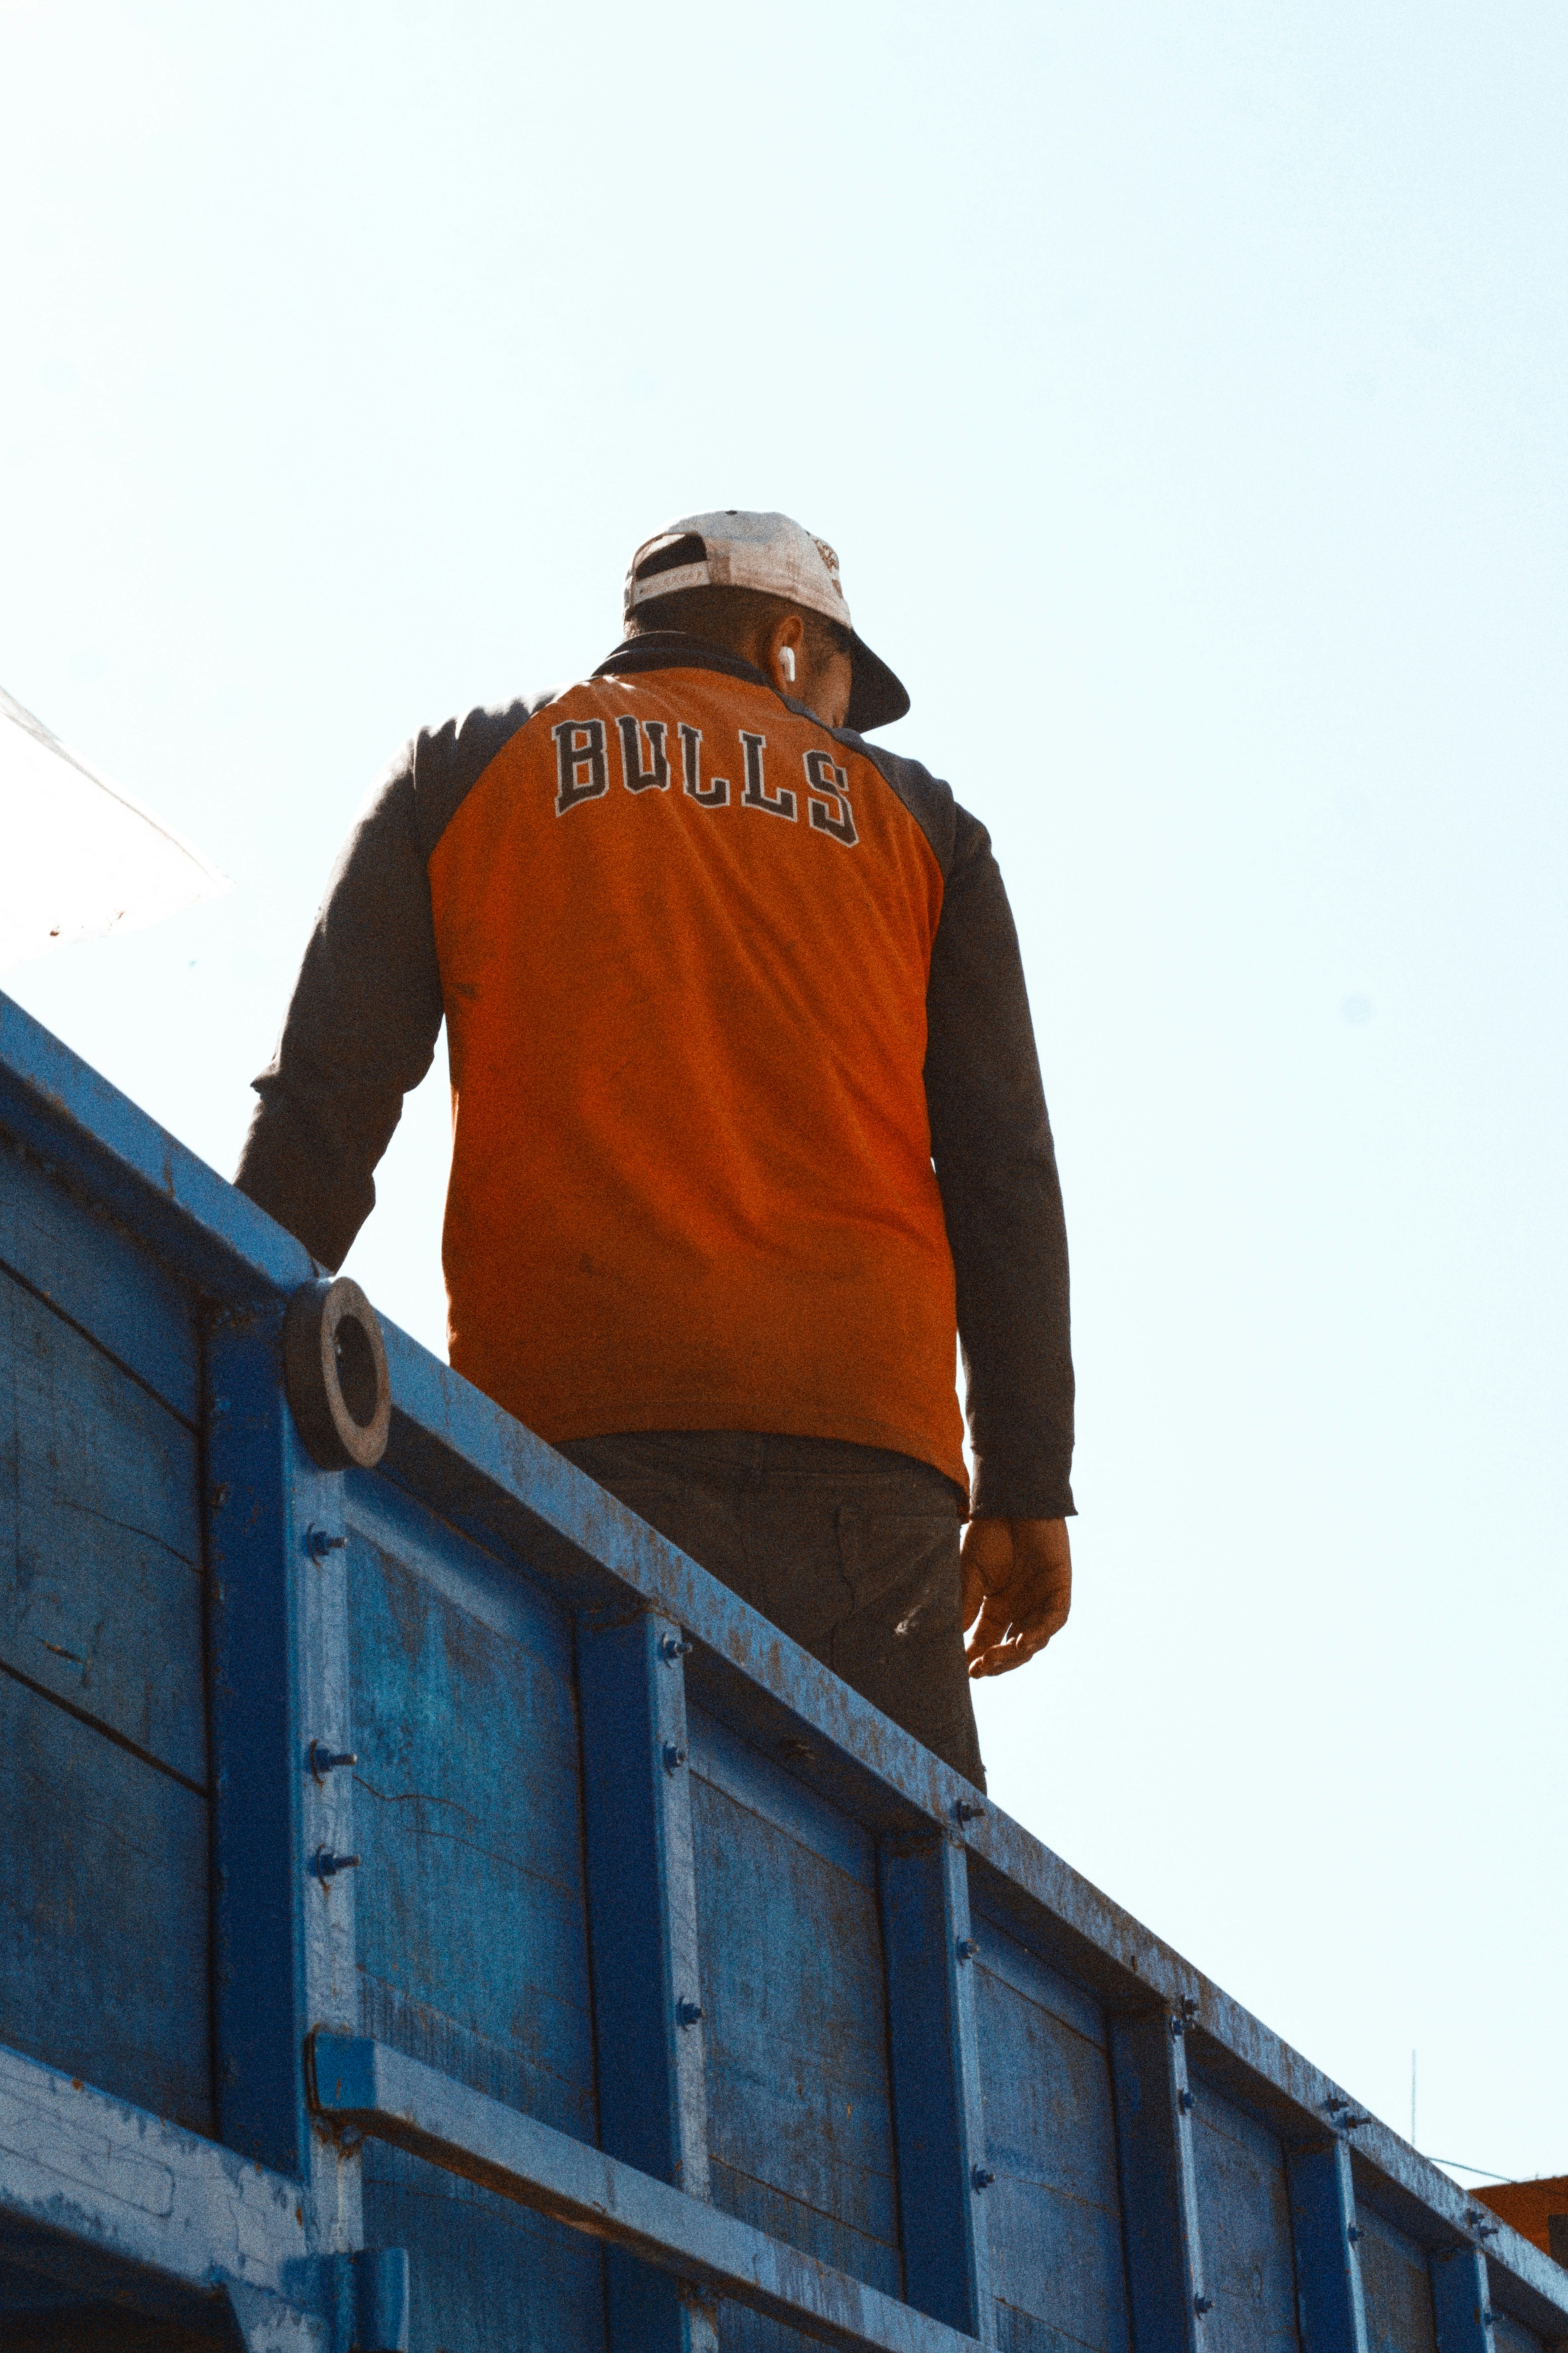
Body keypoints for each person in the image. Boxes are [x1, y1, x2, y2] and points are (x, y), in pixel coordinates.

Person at [235, 510, 1074, 1788]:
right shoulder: (928, 830)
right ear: (790, 645)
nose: (841, 729)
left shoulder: (466, 770)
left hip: (568, 1441)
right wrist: (1027, 1476)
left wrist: (229, 1350)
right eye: (846, 689)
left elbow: (325, 1110)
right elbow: (1003, 1166)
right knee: (889, 1921)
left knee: (567, 1863)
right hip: (865, 1466)